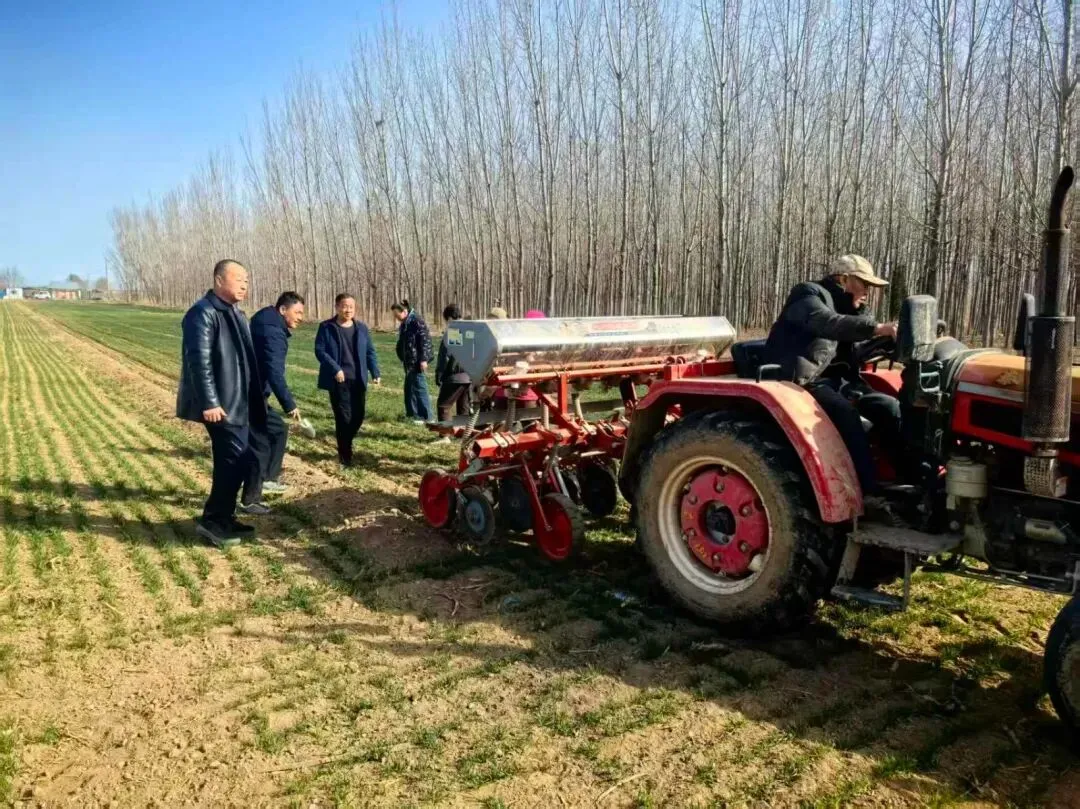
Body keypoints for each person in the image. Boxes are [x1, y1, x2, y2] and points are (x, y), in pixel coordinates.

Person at [763, 255, 901, 497]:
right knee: (846, 415)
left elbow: (854, 346)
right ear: (844, 279)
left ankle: (910, 480)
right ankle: (867, 492)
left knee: (890, 407)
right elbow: (827, 323)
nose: (868, 292)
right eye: (864, 284)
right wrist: (877, 328)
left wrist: (889, 339)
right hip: (805, 381)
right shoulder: (808, 294)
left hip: (843, 381)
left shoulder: (852, 310)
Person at [177, 259, 267, 548]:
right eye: (238, 278)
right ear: (218, 280)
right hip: (221, 405)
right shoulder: (203, 313)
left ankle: (223, 517)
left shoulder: (235, 313)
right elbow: (198, 362)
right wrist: (210, 402)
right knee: (233, 461)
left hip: (238, 402)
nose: (244, 284)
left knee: (236, 462)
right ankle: (213, 521)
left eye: (246, 280)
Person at [247, 291, 305, 506]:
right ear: (283, 310)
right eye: (297, 312)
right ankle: (258, 488)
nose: (300, 317)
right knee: (264, 440)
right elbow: (274, 373)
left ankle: (266, 480)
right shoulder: (274, 333)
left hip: (249, 390)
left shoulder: (263, 320)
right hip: (252, 393)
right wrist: (290, 405)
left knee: (276, 430)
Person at [315, 293, 381, 467]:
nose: (348, 310)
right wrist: (335, 368)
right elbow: (320, 351)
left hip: (358, 379)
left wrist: (375, 372)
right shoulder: (326, 327)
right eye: (345, 306)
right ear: (337, 307)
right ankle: (345, 456)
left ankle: (346, 442)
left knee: (358, 417)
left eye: (351, 307)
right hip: (338, 381)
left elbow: (370, 352)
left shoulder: (362, 328)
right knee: (344, 418)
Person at [391, 299, 434, 424]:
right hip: (408, 361)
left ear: (404, 311)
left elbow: (425, 341)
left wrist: (424, 359)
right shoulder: (405, 323)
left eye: (397, 314)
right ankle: (413, 414)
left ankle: (427, 416)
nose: (396, 318)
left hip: (416, 362)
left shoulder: (416, 321)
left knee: (419, 388)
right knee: (410, 388)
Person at [435, 303, 471, 423]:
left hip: (455, 376)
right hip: (469, 375)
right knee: (463, 407)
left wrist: (440, 373)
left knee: (443, 406)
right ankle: (464, 431)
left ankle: (445, 431)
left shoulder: (455, 331)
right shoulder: (470, 330)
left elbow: (447, 356)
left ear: (450, 318)